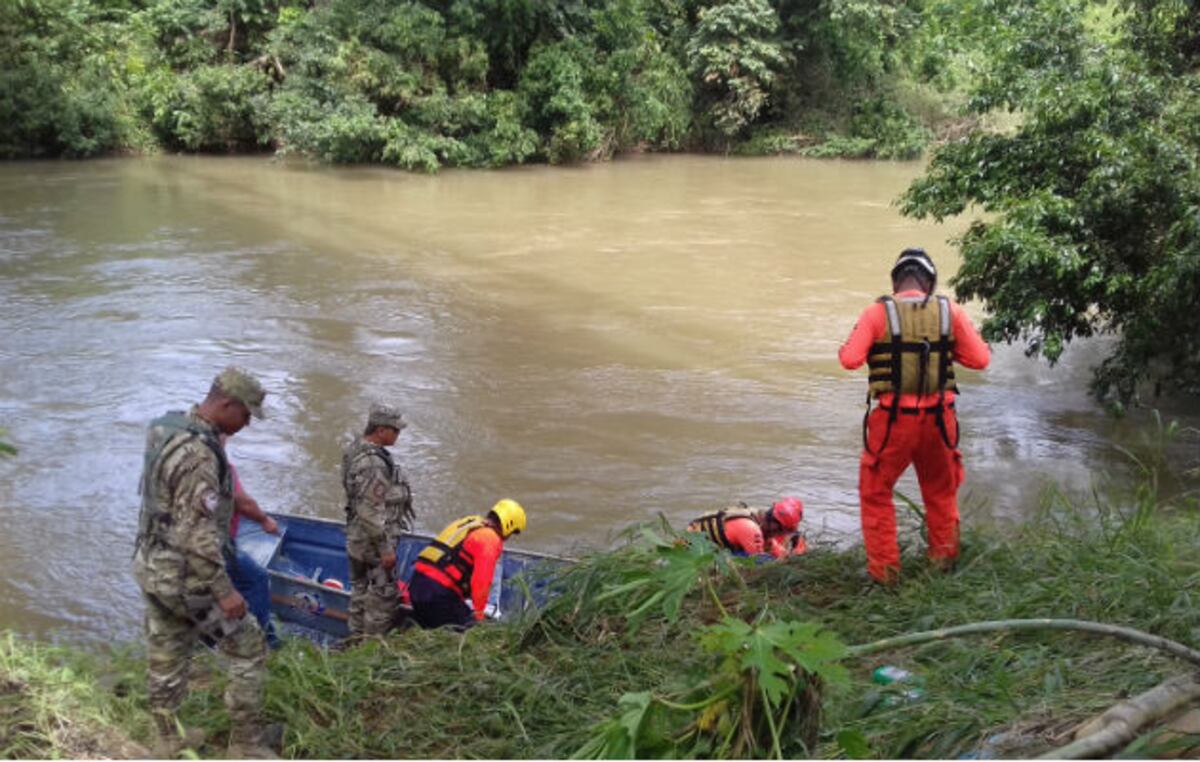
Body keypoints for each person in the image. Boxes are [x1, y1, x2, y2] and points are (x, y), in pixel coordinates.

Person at [132, 367, 280, 758]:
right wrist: (224, 590)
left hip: (152, 566)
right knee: (249, 648)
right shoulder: (200, 455)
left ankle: (164, 740)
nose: (247, 424)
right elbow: (196, 534)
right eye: (246, 415)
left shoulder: (168, 427)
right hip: (188, 579)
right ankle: (246, 746)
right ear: (227, 403)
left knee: (167, 653)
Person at [838, 248, 991, 584]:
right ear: (930, 282)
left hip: (892, 423)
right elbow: (980, 359)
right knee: (941, 492)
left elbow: (849, 359)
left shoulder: (876, 313)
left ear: (896, 281)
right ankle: (943, 564)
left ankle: (885, 575)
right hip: (940, 420)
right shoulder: (951, 311)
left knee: (876, 494)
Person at [342, 403, 414, 637]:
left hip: (356, 538)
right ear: (381, 430)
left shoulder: (356, 448)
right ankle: (372, 647)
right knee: (382, 597)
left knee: (360, 591)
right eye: (395, 430)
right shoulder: (373, 463)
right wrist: (385, 549)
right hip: (372, 543)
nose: (398, 435)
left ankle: (354, 640)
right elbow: (370, 510)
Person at [409, 499, 526, 630]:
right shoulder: (490, 539)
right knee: (470, 633)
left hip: (416, 585)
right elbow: (481, 582)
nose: (509, 537)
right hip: (437, 594)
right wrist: (479, 616)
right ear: (508, 525)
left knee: (435, 623)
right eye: (512, 532)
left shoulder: (471, 523)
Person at [221, 435, 281, 649]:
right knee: (256, 579)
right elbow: (242, 502)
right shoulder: (219, 465)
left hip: (197, 544)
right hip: (216, 544)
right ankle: (262, 639)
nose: (224, 439)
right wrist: (264, 520)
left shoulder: (186, 462)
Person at [686, 497, 806, 558]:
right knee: (763, 560)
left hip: (697, 540)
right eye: (784, 531)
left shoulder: (758, 516)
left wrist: (784, 554)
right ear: (776, 526)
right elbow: (759, 561)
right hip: (693, 552)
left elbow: (770, 544)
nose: (782, 534)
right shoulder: (751, 530)